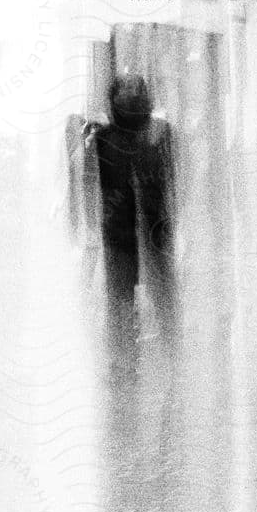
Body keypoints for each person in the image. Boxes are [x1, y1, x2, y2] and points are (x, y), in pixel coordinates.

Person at [86, 74, 178, 360]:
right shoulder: (103, 139)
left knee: (159, 303)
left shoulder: (159, 133)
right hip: (122, 235)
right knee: (124, 306)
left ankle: (160, 358)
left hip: (150, 232)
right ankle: (125, 361)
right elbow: (92, 185)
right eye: (125, 91)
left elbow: (174, 180)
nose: (130, 96)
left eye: (135, 91)